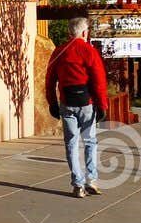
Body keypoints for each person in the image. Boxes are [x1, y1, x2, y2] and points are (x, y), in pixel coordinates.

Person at [45, 16, 109, 198]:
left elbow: (50, 80)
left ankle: (77, 184)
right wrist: (102, 104)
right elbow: (98, 80)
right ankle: (92, 180)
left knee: (71, 144)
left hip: (67, 102)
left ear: (69, 32)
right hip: (86, 103)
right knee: (90, 141)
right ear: (83, 32)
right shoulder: (89, 51)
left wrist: (52, 103)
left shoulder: (59, 51)